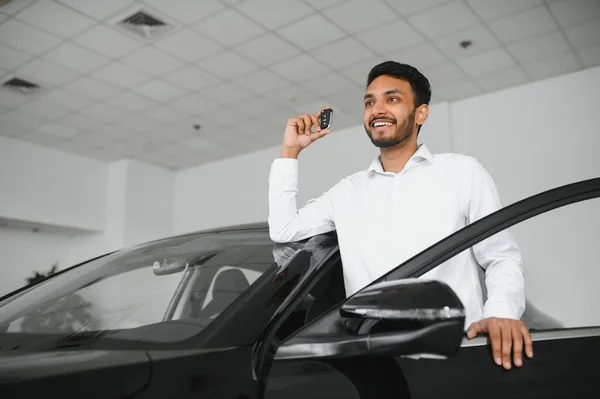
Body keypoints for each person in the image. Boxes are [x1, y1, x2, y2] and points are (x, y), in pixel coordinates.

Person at [267, 60, 533, 370]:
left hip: (455, 356)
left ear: (421, 113)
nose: (377, 109)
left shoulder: (463, 172)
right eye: (370, 102)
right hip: (375, 364)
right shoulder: (346, 192)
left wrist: (501, 313)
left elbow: (500, 256)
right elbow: (284, 230)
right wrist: (289, 151)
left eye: (392, 99)